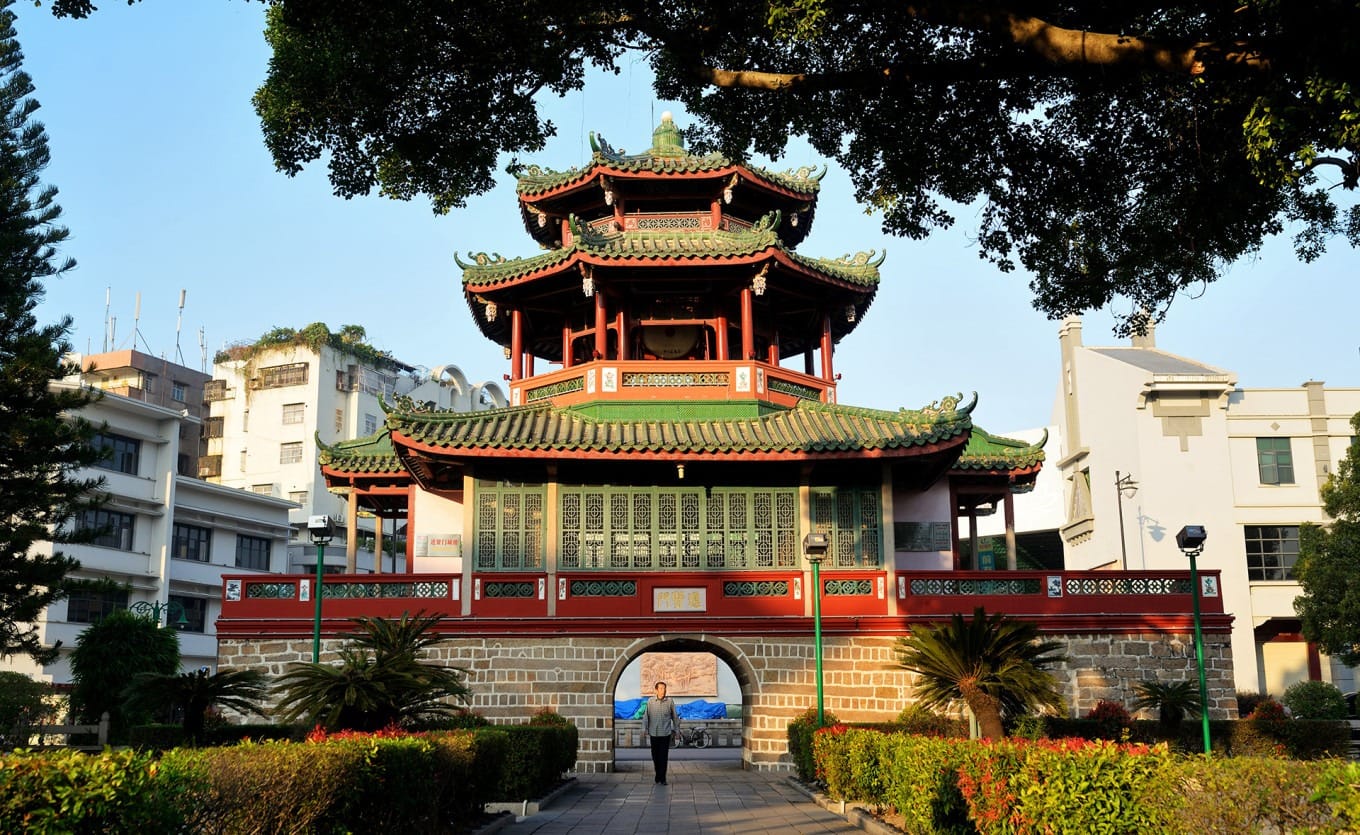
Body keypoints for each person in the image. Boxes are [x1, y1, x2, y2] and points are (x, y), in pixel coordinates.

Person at [643, 680, 680, 785]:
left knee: (663, 756)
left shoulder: (669, 702)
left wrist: (677, 731)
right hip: (653, 733)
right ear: (656, 690)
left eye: (664, 689)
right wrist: (643, 729)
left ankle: (662, 778)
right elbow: (646, 716)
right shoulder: (650, 702)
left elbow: (675, 717)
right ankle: (658, 774)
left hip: (665, 733)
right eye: (660, 688)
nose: (663, 691)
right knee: (655, 756)